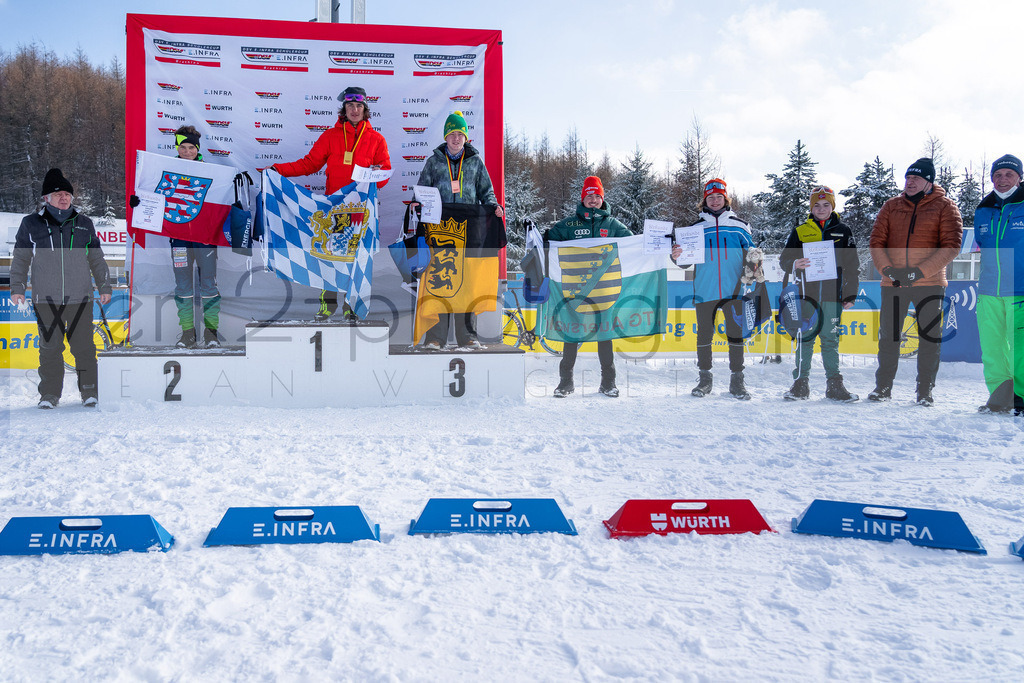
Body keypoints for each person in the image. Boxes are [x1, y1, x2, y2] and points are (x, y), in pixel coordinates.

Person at [273, 85, 391, 321]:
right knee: (328, 257)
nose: (355, 110)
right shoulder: (330, 136)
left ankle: (351, 306)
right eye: (350, 106)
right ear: (344, 109)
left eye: (359, 106)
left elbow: (385, 174)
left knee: (355, 258)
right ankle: (328, 306)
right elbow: (309, 164)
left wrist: (376, 174)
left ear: (365, 109)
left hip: (361, 212)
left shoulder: (376, 139)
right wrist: (278, 170)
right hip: (335, 208)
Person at [10, 168, 112, 409]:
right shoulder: (31, 224)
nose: (64, 198)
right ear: (46, 198)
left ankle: (89, 391)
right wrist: (17, 287)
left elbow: (96, 258)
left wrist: (104, 285)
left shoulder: (85, 223)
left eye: (67, 194)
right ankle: (49, 394)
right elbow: (21, 258)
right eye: (58, 194)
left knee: (84, 347)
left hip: (81, 298)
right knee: (50, 348)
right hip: (45, 299)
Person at [868, 157, 963, 405]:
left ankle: (925, 391)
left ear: (928, 182)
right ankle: (883, 388)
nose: (910, 182)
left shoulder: (946, 206)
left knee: (929, 338)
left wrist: (919, 272)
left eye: (916, 178)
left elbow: (951, 246)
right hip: (894, 283)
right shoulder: (891, 206)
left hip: (929, 283)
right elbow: (877, 242)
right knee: (889, 337)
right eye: (908, 178)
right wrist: (888, 270)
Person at [414, 110, 504, 349]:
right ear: (446, 136)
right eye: (452, 133)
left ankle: (468, 336)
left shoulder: (475, 161)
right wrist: (417, 202)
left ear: (466, 137)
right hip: (439, 231)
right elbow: (422, 190)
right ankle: (435, 337)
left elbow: (487, 192)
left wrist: (493, 207)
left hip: (469, 231)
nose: (456, 138)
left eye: (460, 134)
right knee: (440, 282)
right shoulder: (434, 161)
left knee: (467, 282)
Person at [671, 178, 761, 400]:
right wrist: (676, 256)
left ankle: (737, 382)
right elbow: (683, 263)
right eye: (710, 197)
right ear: (704, 200)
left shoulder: (740, 226)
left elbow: (752, 256)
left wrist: (750, 276)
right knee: (704, 334)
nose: (714, 201)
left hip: (734, 289)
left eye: (719, 197)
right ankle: (704, 381)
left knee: (735, 335)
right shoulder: (695, 228)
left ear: (725, 198)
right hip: (705, 288)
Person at [545, 176, 631, 398]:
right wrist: (536, 234)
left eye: (597, 196)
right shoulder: (569, 224)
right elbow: (547, 243)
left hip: (604, 293)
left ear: (603, 199)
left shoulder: (613, 226)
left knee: (605, 337)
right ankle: (565, 382)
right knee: (571, 336)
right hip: (575, 292)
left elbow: (635, 245)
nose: (593, 200)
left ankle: (608, 382)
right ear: (583, 198)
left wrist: (659, 241)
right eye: (589, 196)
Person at [778, 186, 860, 401]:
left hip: (833, 295)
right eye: (816, 205)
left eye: (826, 205)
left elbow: (853, 266)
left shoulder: (843, 231)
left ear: (832, 206)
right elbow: (784, 260)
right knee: (805, 338)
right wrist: (795, 263)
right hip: (807, 296)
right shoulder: (800, 231)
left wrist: (850, 294)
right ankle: (800, 384)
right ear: (811, 207)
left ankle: (834, 385)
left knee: (830, 339)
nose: (821, 209)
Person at [973, 154, 1024, 415]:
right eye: (998, 174)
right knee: (992, 349)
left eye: (1009, 174)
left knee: (1021, 349)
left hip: (1020, 290)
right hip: (989, 290)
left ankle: (1022, 399)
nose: (1002, 179)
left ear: (1019, 177)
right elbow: (980, 247)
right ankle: (1000, 396)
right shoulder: (983, 209)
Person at [168, 125, 221, 348]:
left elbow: (220, 200)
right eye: (183, 147)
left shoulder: (209, 170)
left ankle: (211, 334)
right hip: (178, 237)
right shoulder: (166, 170)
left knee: (208, 285)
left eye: (191, 147)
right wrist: (139, 203)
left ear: (197, 149)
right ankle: (188, 333)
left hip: (204, 237)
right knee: (183, 287)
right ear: (177, 148)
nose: (187, 151)